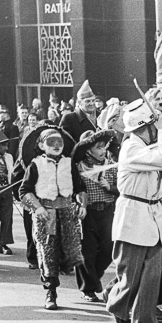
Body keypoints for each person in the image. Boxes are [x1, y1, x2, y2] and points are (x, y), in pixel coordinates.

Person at [106, 99, 162, 323]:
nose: (156, 130)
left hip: (152, 218)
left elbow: (152, 187)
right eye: (153, 126)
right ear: (146, 127)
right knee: (130, 277)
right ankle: (117, 306)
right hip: (133, 219)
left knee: (151, 278)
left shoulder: (145, 149)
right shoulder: (131, 148)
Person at [19, 126, 87, 310]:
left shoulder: (69, 163)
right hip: (46, 215)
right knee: (47, 252)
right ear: (41, 145)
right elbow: (24, 191)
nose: (56, 146)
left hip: (67, 213)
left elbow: (80, 187)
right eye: (51, 142)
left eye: (59, 142)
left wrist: (82, 204)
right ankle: (51, 292)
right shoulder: (35, 165)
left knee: (70, 251)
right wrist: (38, 207)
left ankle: (87, 289)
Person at [72, 129, 119, 303]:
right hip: (88, 213)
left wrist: (110, 187)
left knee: (108, 250)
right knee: (87, 252)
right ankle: (88, 289)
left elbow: (123, 189)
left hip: (107, 211)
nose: (102, 151)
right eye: (98, 147)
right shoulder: (78, 167)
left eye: (103, 147)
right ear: (88, 150)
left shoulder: (110, 166)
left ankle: (94, 278)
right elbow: (74, 190)